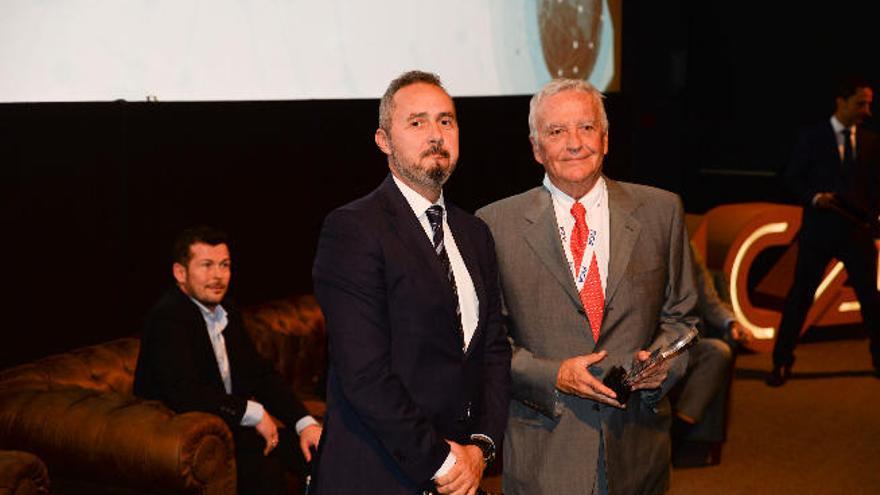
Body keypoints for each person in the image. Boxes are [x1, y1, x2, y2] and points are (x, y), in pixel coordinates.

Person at [476, 78, 698, 495]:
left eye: (586, 127)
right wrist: (553, 374)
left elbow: (683, 319)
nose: (574, 143)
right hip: (545, 453)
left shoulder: (661, 211)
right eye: (557, 132)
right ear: (536, 148)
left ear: (606, 138)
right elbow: (486, 343)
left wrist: (667, 365)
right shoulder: (493, 225)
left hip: (637, 448)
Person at [310, 71, 511, 495]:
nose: (435, 134)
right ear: (383, 140)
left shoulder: (474, 233)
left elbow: (492, 349)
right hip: (378, 473)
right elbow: (364, 374)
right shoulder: (353, 229)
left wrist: (480, 448)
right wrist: (441, 462)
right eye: (417, 123)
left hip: (463, 472)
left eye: (446, 121)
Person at [133, 226, 322, 494]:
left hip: (229, 426)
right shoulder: (168, 318)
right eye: (207, 265)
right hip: (185, 438)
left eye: (224, 265)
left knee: (321, 451)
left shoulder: (226, 311)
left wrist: (305, 423)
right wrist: (252, 413)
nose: (218, 276)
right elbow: (183, 392)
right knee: (265, 468)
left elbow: (260, 375)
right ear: (180, 273)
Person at [768, 76, 880, 386]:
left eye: (869, 104)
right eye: (861, 103)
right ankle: (781, 363)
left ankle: (879, 360)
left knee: (871, 301)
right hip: (819, 232)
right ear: (841, 102)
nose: (867, 111)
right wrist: (816, 198)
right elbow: (791, 178)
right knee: (800, 298)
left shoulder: (871, 141)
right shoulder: (811, 138)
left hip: (857, 234)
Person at [670, 244, 752, 466]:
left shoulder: (687, 249)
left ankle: (675, 437)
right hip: (650, 347)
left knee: (718, 351)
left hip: (686, 343)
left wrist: (732, 322)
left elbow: (711, 302)